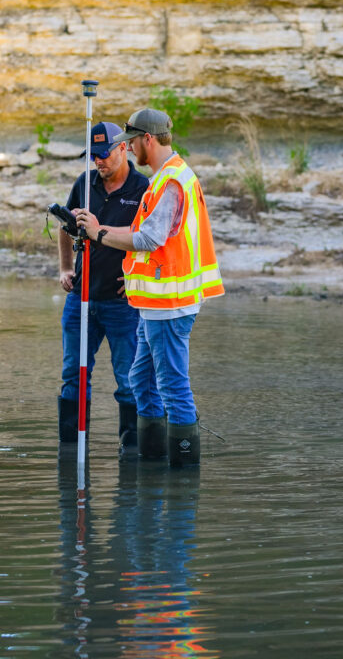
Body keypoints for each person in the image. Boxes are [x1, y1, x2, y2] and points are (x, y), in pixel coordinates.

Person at [75, 107, 224, 467]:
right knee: (141, 381)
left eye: (132, 142)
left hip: (170, 306)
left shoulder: (173, 181)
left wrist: (99, 234)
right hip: (154, 305)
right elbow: (155, 241)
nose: (130, 150)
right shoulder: (162, 178)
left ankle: (183, 476)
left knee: (173, 387)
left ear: (148, 140)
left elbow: (151, 238)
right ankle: (153, 462)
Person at [57, 120, 149, 451]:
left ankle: (131, 452)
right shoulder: (85, 183)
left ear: (123, 148)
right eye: (93, 156)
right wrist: (66, 267)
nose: (99, 161)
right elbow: (65, 227)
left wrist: (141, 274)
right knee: (73, 378)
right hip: (80, 300)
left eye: (104, 154)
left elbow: (155, 240)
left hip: (124, 305)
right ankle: (70, 450)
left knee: (128, 382)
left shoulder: (144, 189)